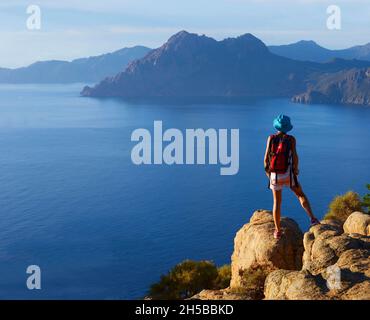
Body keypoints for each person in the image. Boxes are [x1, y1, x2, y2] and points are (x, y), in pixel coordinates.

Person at [264, 115, 320, 239]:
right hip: (288, 174)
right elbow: (295, 156)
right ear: (288, 127)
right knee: (300, 194)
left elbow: (266, 158)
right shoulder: (291, 139)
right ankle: (312, 218)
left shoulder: (271, 138)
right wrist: (295, 169)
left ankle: (277, 231)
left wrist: (269, 174)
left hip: (275, 175)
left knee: (277, 202)